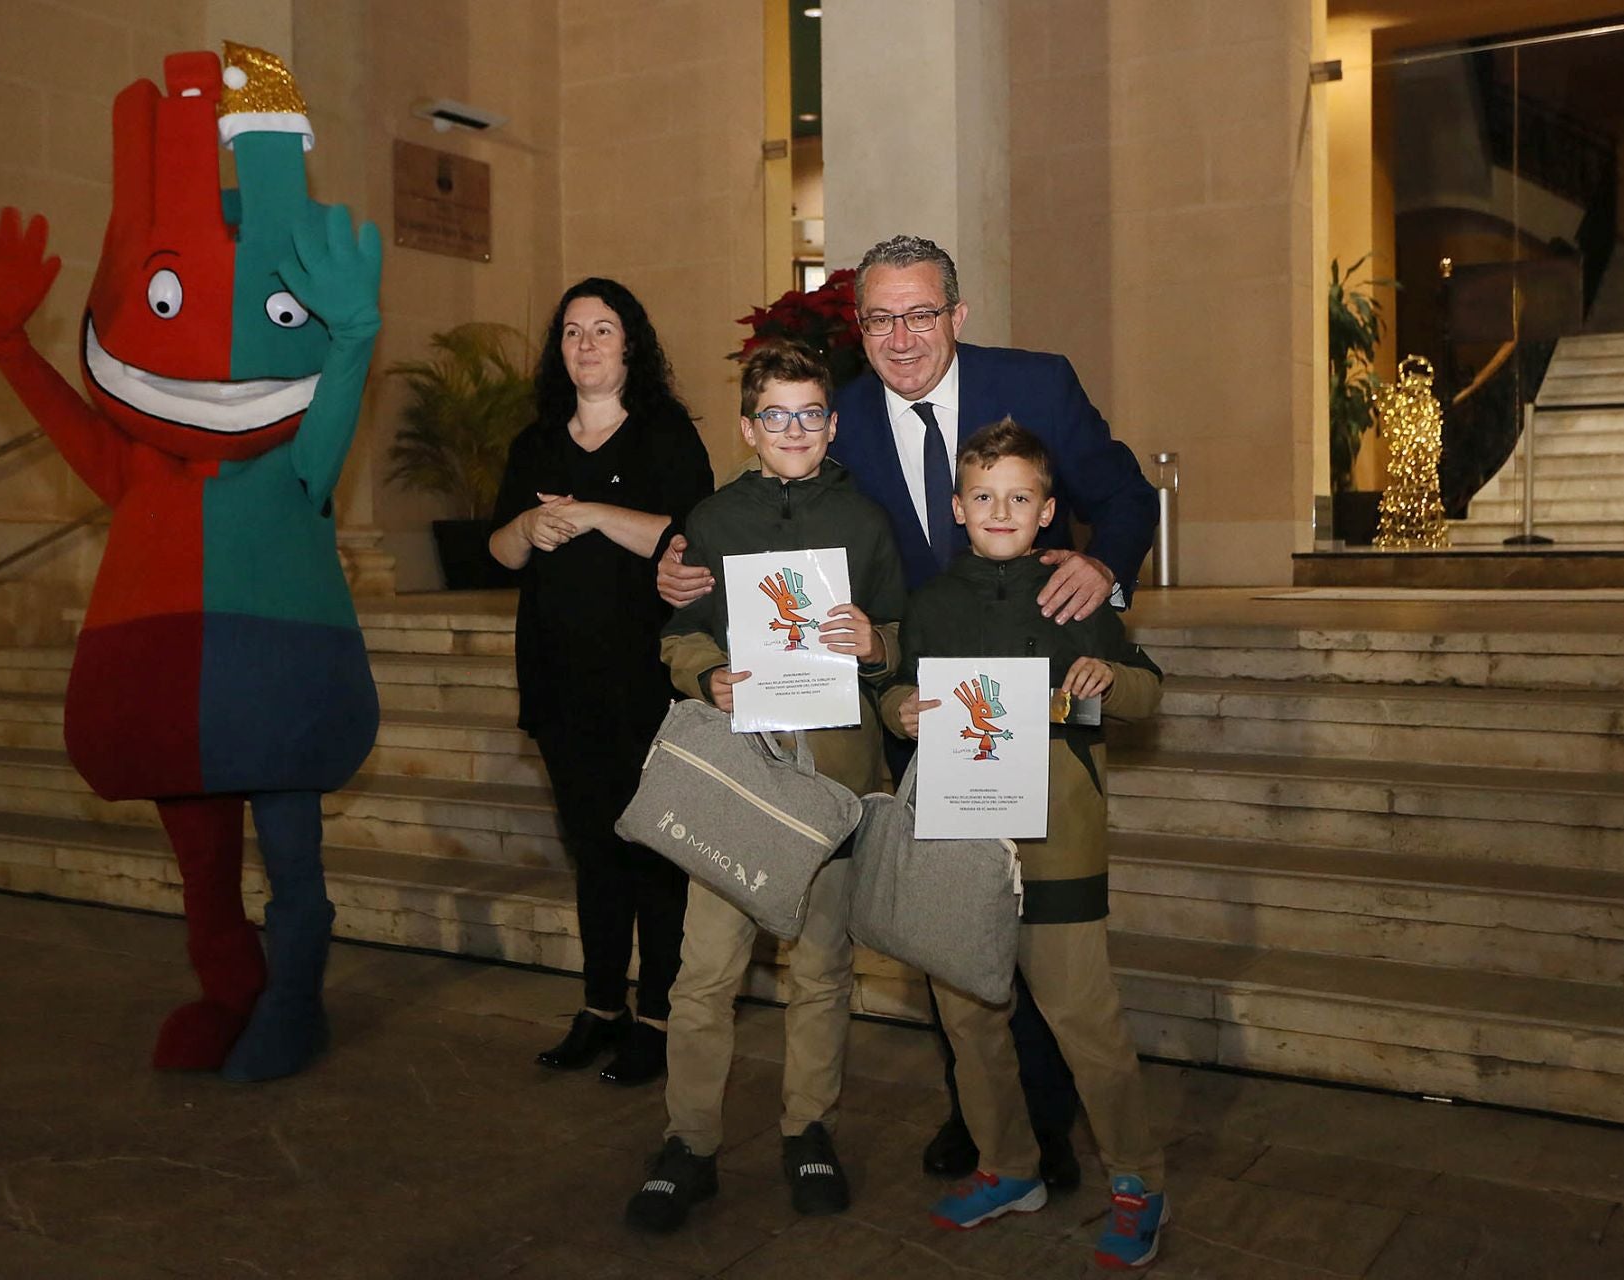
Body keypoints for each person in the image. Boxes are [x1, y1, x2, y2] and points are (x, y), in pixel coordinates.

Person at [657, 235, 1159, 1184]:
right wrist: (679, 568)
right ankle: (982, 1118)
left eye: (921, 313)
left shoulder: (1039, 383)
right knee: (947, 914)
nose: (900, 335)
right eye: (880, 317)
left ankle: (1045, 1123)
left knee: (1044, 935)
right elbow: (751, 533)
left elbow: (1125, 492)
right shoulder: (827, 418)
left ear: (956, 316)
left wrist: (1105, 567)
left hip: (1032, 687)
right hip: (908, 706)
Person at [624, 342, 905, 1235]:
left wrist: (878, 644)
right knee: (704, 970)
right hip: (740, 777)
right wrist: (708, 676)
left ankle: (808, 1129)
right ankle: (689, 1143)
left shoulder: (865, 521)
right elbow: (680, 631)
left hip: (832, 775)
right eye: (776, 415)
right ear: (749, 427)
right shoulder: (710, 521)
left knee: (820, 965)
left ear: (831, 423)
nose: (794, 430)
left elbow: (899, 634)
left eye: (811, 413)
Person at [882, 418, 1168, 1270]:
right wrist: (897, 707)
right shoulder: (932, 603)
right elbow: (901, 689)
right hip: (962, 840)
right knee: (969, 1020)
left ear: (1047, 510)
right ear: (959, 508)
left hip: (1060, 840)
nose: (1000, 510)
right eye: (983, 497)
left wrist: (1107, 681)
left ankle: (1137, 1180)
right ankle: (1008, 1167)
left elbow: (1148, 693)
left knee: (1085, 1020)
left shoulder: (1077, 595)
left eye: (1019, 497)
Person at [489, 278, 714, 1086]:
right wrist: (525, 524)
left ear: (632, 345)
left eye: (604, 330)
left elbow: (693, 535)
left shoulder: (663, 435)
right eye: (573, 332)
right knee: (592, 852)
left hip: (647, 681)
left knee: (652, 850)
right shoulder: (536, 442)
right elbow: (501, 553)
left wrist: (586, 513)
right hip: (560, 678)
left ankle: (656, 1016)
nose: (587, 345)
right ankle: (600, 1008)